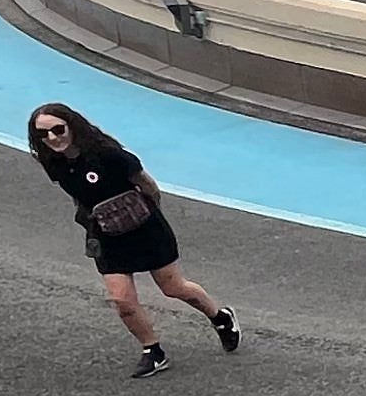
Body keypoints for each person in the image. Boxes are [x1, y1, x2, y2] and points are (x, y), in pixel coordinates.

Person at [25, 102, 238, 377]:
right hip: (105, 234)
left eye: (58, 129)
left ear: (72, 126)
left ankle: (220, 318)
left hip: (145, 228)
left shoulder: (109, 155)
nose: (53, 138)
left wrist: (149, 215)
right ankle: (153, 351)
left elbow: (148, 185)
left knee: (173, 288)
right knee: (122, 300)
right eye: (44, 134)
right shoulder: (52, 162)